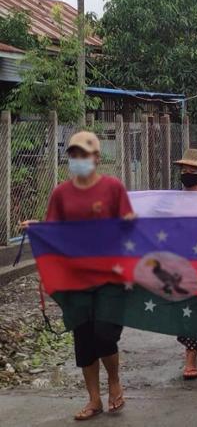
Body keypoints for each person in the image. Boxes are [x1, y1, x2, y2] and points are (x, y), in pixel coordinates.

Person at [42, 132, 134, 420]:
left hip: (110, 276)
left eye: (84, 155)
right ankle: (93, 399)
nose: (79, 160)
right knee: (83, 339)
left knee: (105, 334)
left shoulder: (113, 188)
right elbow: (52, 230)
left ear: (96, 157)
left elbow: (129, 225)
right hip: (75, 278)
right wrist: (35, 229)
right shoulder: (60, 193)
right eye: (74, 156)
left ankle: (114, 381)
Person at [173, 148, 197, 380]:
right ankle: (189, 349)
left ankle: (191, 357)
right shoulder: (171, 201)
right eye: (184, 171)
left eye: (192, 171)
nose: (187, 174)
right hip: (178, 262)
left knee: (195, 309)